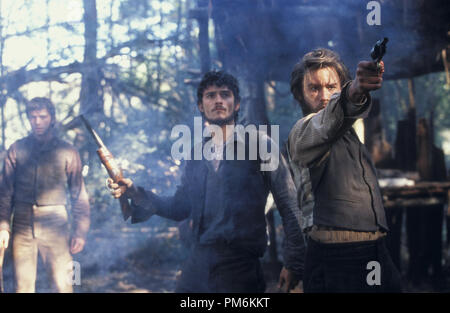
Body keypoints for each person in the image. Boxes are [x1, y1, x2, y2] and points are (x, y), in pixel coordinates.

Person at [108, 70, 305, 293]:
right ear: (201, 106)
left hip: (240, 263)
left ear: (237, 103)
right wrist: (135, 192)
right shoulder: (195, 154)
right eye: (210, 96)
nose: (218, 100)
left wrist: (293, 263)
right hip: (199, 260)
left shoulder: (261, 145)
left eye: (225, 94)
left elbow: (289, 205)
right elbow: (180, 207)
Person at [288, 48, 402, 292]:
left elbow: (340, 116)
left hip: (376, 251)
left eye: (332, 87)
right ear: (300, 94)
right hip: (336, 258)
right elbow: (328, 120)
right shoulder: (303, 133)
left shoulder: (350, 135)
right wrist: (354, 91)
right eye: (314, 88)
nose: (325, 96)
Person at [0, 97, 90, 293]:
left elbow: (78, 194)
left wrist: (80, 232)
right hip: (22, 226)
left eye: (42, 117)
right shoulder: (17, 149)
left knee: (63, 285)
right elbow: (5, 193)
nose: (37, 122)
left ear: (52, 118)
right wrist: (4, 227)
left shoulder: (67, 150)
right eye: (33, 117)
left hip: (56, 224)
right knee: (22, 287)